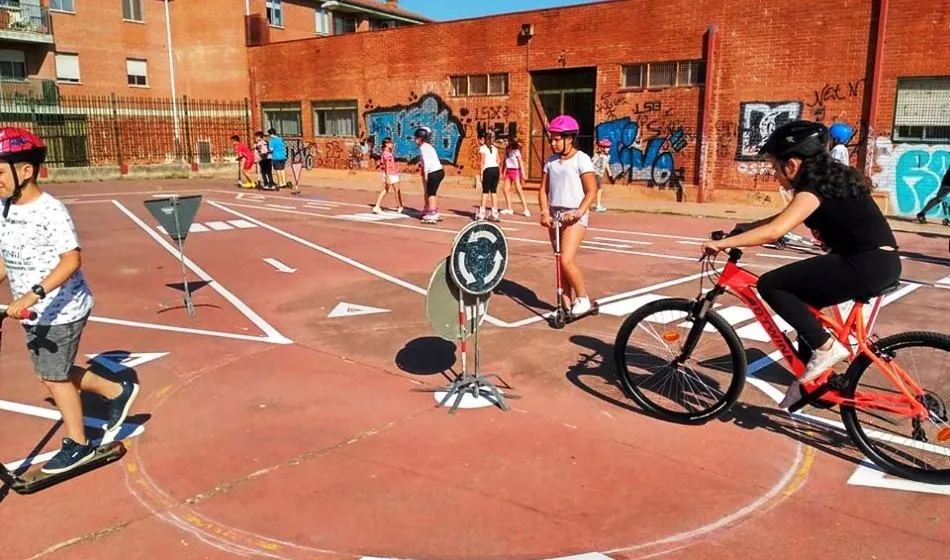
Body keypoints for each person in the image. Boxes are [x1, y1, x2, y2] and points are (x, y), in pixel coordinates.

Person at [700, 120, 901, 409]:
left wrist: (722, 245)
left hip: (864, 264)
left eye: (774, 166)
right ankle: (810, 384)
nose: (775, 174)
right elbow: (780, 220)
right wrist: (743, 229)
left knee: (771, 284)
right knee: (805, 305)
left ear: (792, 165)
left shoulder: (812, 190)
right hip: (878, 262)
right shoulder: (831, 179)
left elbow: (775, 231)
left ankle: (826, 349)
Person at [0, 127, 139, 474]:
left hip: (62, 308)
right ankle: (114, 391)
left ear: (26, 170)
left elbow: (71, 259)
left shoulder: (51, 211)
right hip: (32, 310)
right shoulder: (4, 208)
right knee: (50, 374)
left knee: (53, 378)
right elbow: (5, 257)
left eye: (0, 171)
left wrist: (33, 294)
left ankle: (80, 444)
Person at [538, 115, 598, 317]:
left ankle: (583, 298)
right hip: (555, 215)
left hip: (574, 214)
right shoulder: (551, 161)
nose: (553, 143)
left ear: (570, 138)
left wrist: (579, 212)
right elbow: (543, 190)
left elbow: (591, 190)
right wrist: (545, 211)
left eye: (557, 139)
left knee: (566, 259)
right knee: (558, 262)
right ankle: (565, 304)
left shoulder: (581, 159)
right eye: (551, 139)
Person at [414, 127, 444, 224]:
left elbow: (427, 162)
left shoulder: (423, 148)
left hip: (433, 172)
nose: (415, 140)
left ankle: (433, 213)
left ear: (420, 138)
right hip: (438, 171)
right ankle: (428, 209)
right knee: (430, 192)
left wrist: (426, 174)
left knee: (431, 193)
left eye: (416, 138)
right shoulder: (427, 146)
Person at [372, 137, 403, 214]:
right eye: (390, 143)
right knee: (397, 190)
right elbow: (387, 165)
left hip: (387, 174)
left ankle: (377, 206)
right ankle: (400, 207)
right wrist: (388, 177)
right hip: (391, 174)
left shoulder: (384, 153)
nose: (392, 144)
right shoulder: (388, 155)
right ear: (386, 144)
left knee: (385, 190)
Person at [500, 138, 530, 217]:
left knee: (519, 190)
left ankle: (526, 209)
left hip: (515, 171)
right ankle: (509, 208)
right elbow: (505, 162)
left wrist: (523, 173)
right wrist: (503, 172)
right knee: (505, 190)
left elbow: (520, 162)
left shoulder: (516, 151)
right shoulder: (507, 150)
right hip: (508, 171)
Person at [476, 130, 501, 221]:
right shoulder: (495, 148)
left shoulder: (482, 148)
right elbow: (499, 161)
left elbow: (482, 161)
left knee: (485, 191)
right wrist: (500, 173)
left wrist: (481, 174)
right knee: (493, 191)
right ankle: (495, 213)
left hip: (488, 170)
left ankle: (482, 212)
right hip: (496, 170)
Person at [591, 138, 612, 212]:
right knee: (599, 189)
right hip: (596, 173)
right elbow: (592, 163)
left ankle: (597, 205)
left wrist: (609, 173)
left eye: (609, 147)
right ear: (602, 148)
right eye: (606, 147)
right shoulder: (598, 155)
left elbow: (607, 164)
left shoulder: (608, 156)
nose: (608, 149)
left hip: (600, 174)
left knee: (597, 189)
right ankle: (598, 206)